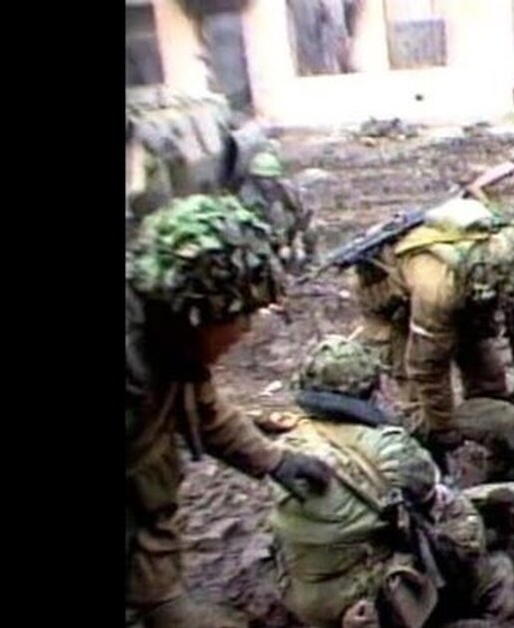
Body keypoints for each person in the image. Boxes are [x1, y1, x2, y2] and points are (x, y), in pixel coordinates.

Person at [126, 194, 333, 628]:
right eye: (241, 317)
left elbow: (206, 410)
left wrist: (274, 460)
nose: (246, 332)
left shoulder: (170, 343)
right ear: (196, 314)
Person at [267, 335, 514, 628]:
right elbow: (434, 500)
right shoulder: (390, 447)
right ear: (370, 390)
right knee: (461, 522)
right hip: (368, 603)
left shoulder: (284, 446)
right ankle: (484, 604)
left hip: (301, 597)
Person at [350, 197, 514, 467]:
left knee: (490, 381)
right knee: (420, 402)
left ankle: (501, 458)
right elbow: (426, 367)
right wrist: (443, 428)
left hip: (463, 297)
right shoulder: (437, 289)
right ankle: (428, 462)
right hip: (395, 307)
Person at [237, 151, 318, 272]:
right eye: (261, 178)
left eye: (269, 178)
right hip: (265, 236)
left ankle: (310, 260)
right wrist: (279, 245)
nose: (265, 182)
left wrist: (298, 239)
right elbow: (250, 225)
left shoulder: (287, 190)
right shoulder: (247, 196)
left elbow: (304, 212)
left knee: (311, 231)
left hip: (290, 230)